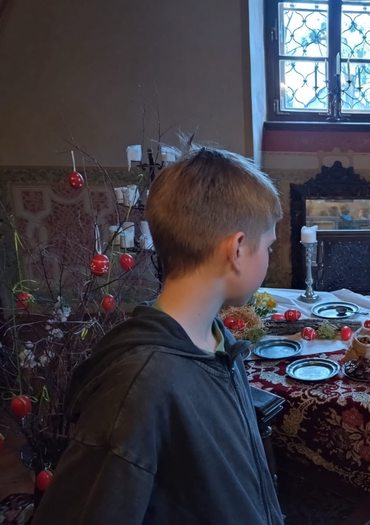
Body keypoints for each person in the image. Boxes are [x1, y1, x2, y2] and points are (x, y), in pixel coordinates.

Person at [33, 147, 284, 524]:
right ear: (236, 249)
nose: (269, 257)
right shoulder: (139, 387)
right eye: (268, 247)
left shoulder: (215, 341)